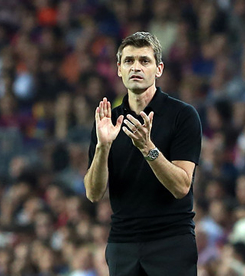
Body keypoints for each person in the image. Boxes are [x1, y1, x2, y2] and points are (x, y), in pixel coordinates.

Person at [84, 31, 202, 276]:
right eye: (128, 61)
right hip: (122, 243)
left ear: (159, 69)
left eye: (144, 61)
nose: (135, 67)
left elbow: (181, 186)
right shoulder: (108, 121)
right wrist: (102, 147)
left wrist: (148, 149)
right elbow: (94, 193)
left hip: (170, 241)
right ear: (118, 69)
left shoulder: (182, 116)